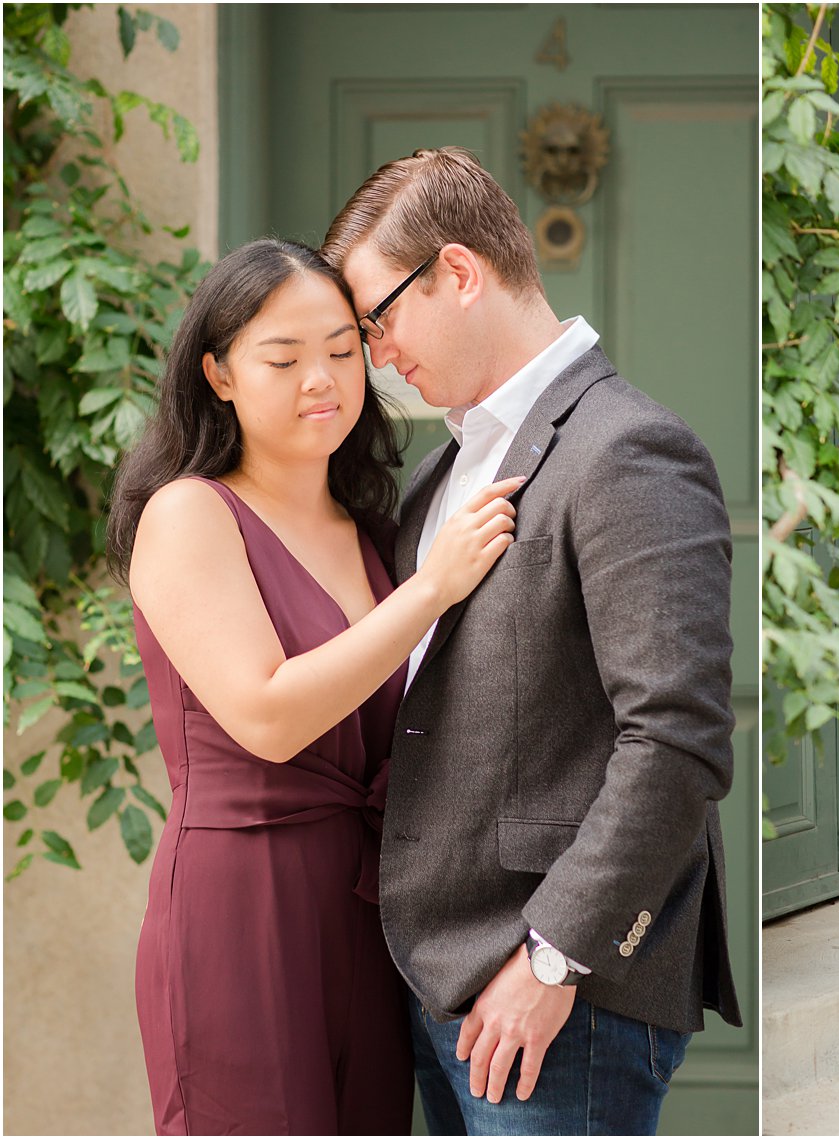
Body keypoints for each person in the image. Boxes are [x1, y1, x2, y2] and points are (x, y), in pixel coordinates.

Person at [319, 146, 741, 1136]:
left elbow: (676, 741)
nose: (376, 354)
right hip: (440, 980)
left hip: (556, 995)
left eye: (377, 318)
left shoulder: (627, 447)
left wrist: (553, 957)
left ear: (458, 273)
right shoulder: (438, 474)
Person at [109, 238, 522, 1134]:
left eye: (342, 350)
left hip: (370, 907)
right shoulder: (190, 511)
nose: (323, 380)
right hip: (241, 899)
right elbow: (265, 713)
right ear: (218, 374)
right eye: (284, 358)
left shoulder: (375, 520)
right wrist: (429, 591)